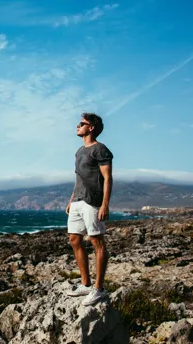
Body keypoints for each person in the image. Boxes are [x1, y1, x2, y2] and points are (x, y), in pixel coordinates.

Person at [65, 112, 113, 306]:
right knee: (74, 239)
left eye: (81, 123)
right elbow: (79, 179)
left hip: (93, 202)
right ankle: (85, 284)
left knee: (97, 242)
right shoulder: (79, 151)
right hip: (77, 200)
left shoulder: (101, 150)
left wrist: (105, 204)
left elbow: (108, 178)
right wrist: (71, 200)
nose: (78, 126)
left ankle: (98, 288)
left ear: (91, 127)